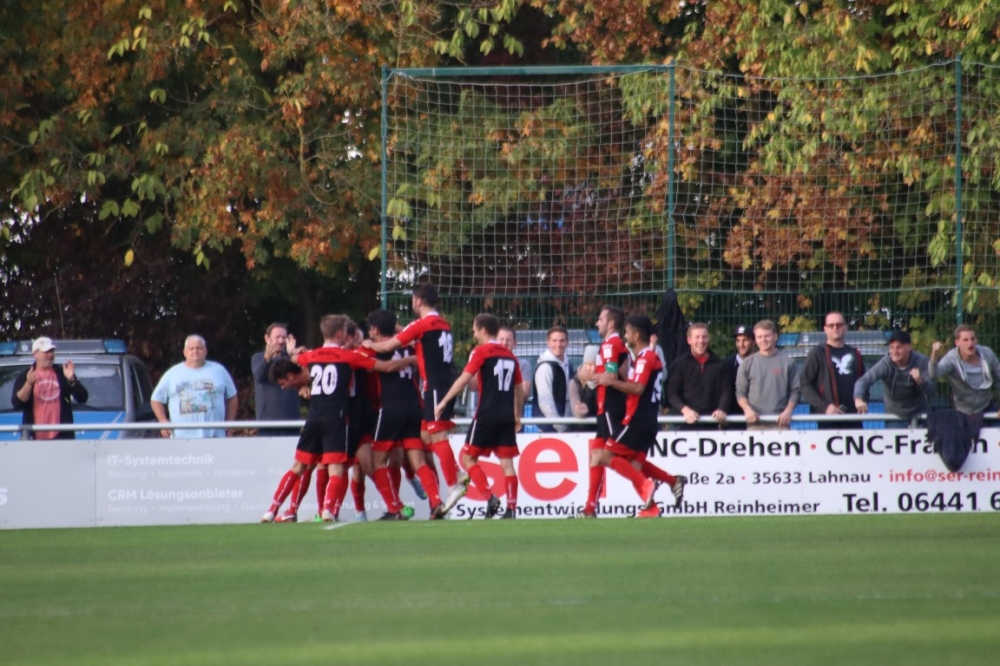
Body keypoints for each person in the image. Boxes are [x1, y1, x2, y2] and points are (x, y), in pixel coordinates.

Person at [261, 315, 413, 523]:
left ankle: (273, 510)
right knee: (334, 468)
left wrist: (292, 353)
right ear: (342, 334)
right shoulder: (350, 356)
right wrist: (414, 359)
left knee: (303, 466)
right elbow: (384, 367)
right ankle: (324, 510)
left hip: (324, 417)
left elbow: (296, 362)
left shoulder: (312, 355)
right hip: (340, 419)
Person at [362, 283, 468, 513]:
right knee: (425, 441)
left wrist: (370, 343)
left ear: (418, 300)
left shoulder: (422, 325)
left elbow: (388, 345)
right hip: (437, 387)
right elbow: (412, 336)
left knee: (436, 434)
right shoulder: (442, 324)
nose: (412, 304)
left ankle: (453, 483)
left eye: (412, 300)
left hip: (432, 388)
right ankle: (451, 480)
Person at [593, 315, 687, 518]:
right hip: (648, 422)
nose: (625, 335)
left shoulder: (646, 358)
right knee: (634, 465)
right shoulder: (645, 358)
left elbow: (637, 388)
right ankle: (658, 500)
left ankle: (647, 485)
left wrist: (610, 382)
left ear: (636, 335)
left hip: (636, 420)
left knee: (605, 456)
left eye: (627, 332)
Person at [435, 313, 525, 519]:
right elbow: (518, 388)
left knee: (468, 458)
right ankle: (511, 509)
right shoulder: (510, 355)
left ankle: (490, 497)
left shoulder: (481, 352)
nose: (474, 334)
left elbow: (464, 380)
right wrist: (517, 414)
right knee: (507, 463)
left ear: (483, 330)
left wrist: (444, 401)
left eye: (475, 330)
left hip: (486, 414)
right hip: (506, 416)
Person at [367, 308, 446, 520]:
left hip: (391, 409)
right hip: (414, 407)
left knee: (377, 461)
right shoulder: (409, 345)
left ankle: (395, 509)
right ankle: (436, 502)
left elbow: (382, 365)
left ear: (374, 329)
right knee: (418, 459)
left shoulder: (373, 349)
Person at [575, 305, 630, 518]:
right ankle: (589, 508)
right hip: (604, 407)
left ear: (611, 324)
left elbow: (611, 377)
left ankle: (647, 485)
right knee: (596, 456)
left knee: (611, 455)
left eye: (600, 319)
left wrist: (588, 375)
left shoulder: (610, 345)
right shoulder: (614, 345)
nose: (597, 323)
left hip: (609, 406)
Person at [151, 335, 238, 438]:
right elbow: (156, 400)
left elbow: (232, 396)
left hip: (215, 437)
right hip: (181, 438)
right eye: (191, 348)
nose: (195, 351)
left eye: (199, 348)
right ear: (185, 352)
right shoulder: (172, 374)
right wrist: (163, 421)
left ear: (205, 351)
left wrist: (230, 423)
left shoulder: (219, 371)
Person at [11, 336, 89, 440]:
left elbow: (83, 398)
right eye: (46, 352)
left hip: (62, 438)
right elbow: (16, 404)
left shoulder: (63, 373)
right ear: (35, 354)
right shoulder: (26, 375)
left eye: (52, 351)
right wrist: (29, 384)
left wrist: (71, 380)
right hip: (34, 439)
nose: (50, 355)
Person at [854, 330, 935, 423]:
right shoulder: (886, 363)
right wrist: (858, 399)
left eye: (898, 347)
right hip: (894, 416)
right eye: (891, 348)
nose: (894, 352)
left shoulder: (921, 361)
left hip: (920, 414)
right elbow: (864, 380)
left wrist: (920, 381)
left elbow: (932, 390)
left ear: (909, 347)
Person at [800, 312, 865, 425]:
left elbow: (864, 382)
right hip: (827, 418)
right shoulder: (817, 353)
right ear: (825, 329)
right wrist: (825, 407)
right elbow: (805, 384)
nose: (835, 328)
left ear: (845, 327)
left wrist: (862, 401)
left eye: (839, 325)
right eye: (831, 325)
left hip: (853, 418)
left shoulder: (855, 354)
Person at [736, 320, 800, 429]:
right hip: (754, 424)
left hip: (781, 423)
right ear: (755, 339)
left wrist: (788, 411)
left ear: (775, 336)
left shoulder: (788, 363)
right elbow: (740, 392)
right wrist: (747, 410)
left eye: (767, 336)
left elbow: (796, 391)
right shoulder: (747, 363)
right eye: (759, 337)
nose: (763, 340)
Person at [666, 323, 731, 428]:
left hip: (711, 423)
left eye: (704, 337)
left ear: (708, 339)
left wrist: (721, 409)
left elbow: (726, 391)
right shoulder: (678, 365)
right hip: (684, 423)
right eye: (697, 337)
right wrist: (685, 410)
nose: (701, 341)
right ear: (689, 340)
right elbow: (672, 393)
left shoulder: (720, 364)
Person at [929, 324, 1000, 417]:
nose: (970, 343)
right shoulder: (951, 358)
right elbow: (934, 374)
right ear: (957, 342)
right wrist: (934, 354)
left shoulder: (987, 354)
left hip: (987, 407)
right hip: (963, 412)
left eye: (973, 339)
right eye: (965, 340)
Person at [251, 323, 303, 436]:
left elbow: (301, 376)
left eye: (284, 338)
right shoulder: (258, 358)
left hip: (291, 422)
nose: (281, 341)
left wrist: (292, 355)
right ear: (267, 338)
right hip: (267, 423)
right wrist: (267, 358)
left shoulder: (292, 357)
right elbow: (259, 376)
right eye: (277, 337)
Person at [533, 326, 575, 433]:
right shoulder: (545, 367)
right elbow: (545, 401)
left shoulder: (568, 365)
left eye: (562, 341)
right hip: (549, 427)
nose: (558, 344)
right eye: (554, 341)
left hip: (565, 424)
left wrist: (567, 422)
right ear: (548, 342)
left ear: (567, 342)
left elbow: (569, 396)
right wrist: (560, 426)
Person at [725, 325, 756, 417]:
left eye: (745, 340)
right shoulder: (726, 365)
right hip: (732, 419)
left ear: (754, 342)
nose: (741, 344)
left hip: (758, 416)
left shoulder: (761, 364)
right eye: (738, 340)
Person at [498, 326, 533, 405]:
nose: (504, 343)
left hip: (514, 414)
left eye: (508, 340)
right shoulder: (488, 363)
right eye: (501, 339)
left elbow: (524, 394)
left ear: (515, 343)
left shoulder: (523, 365)